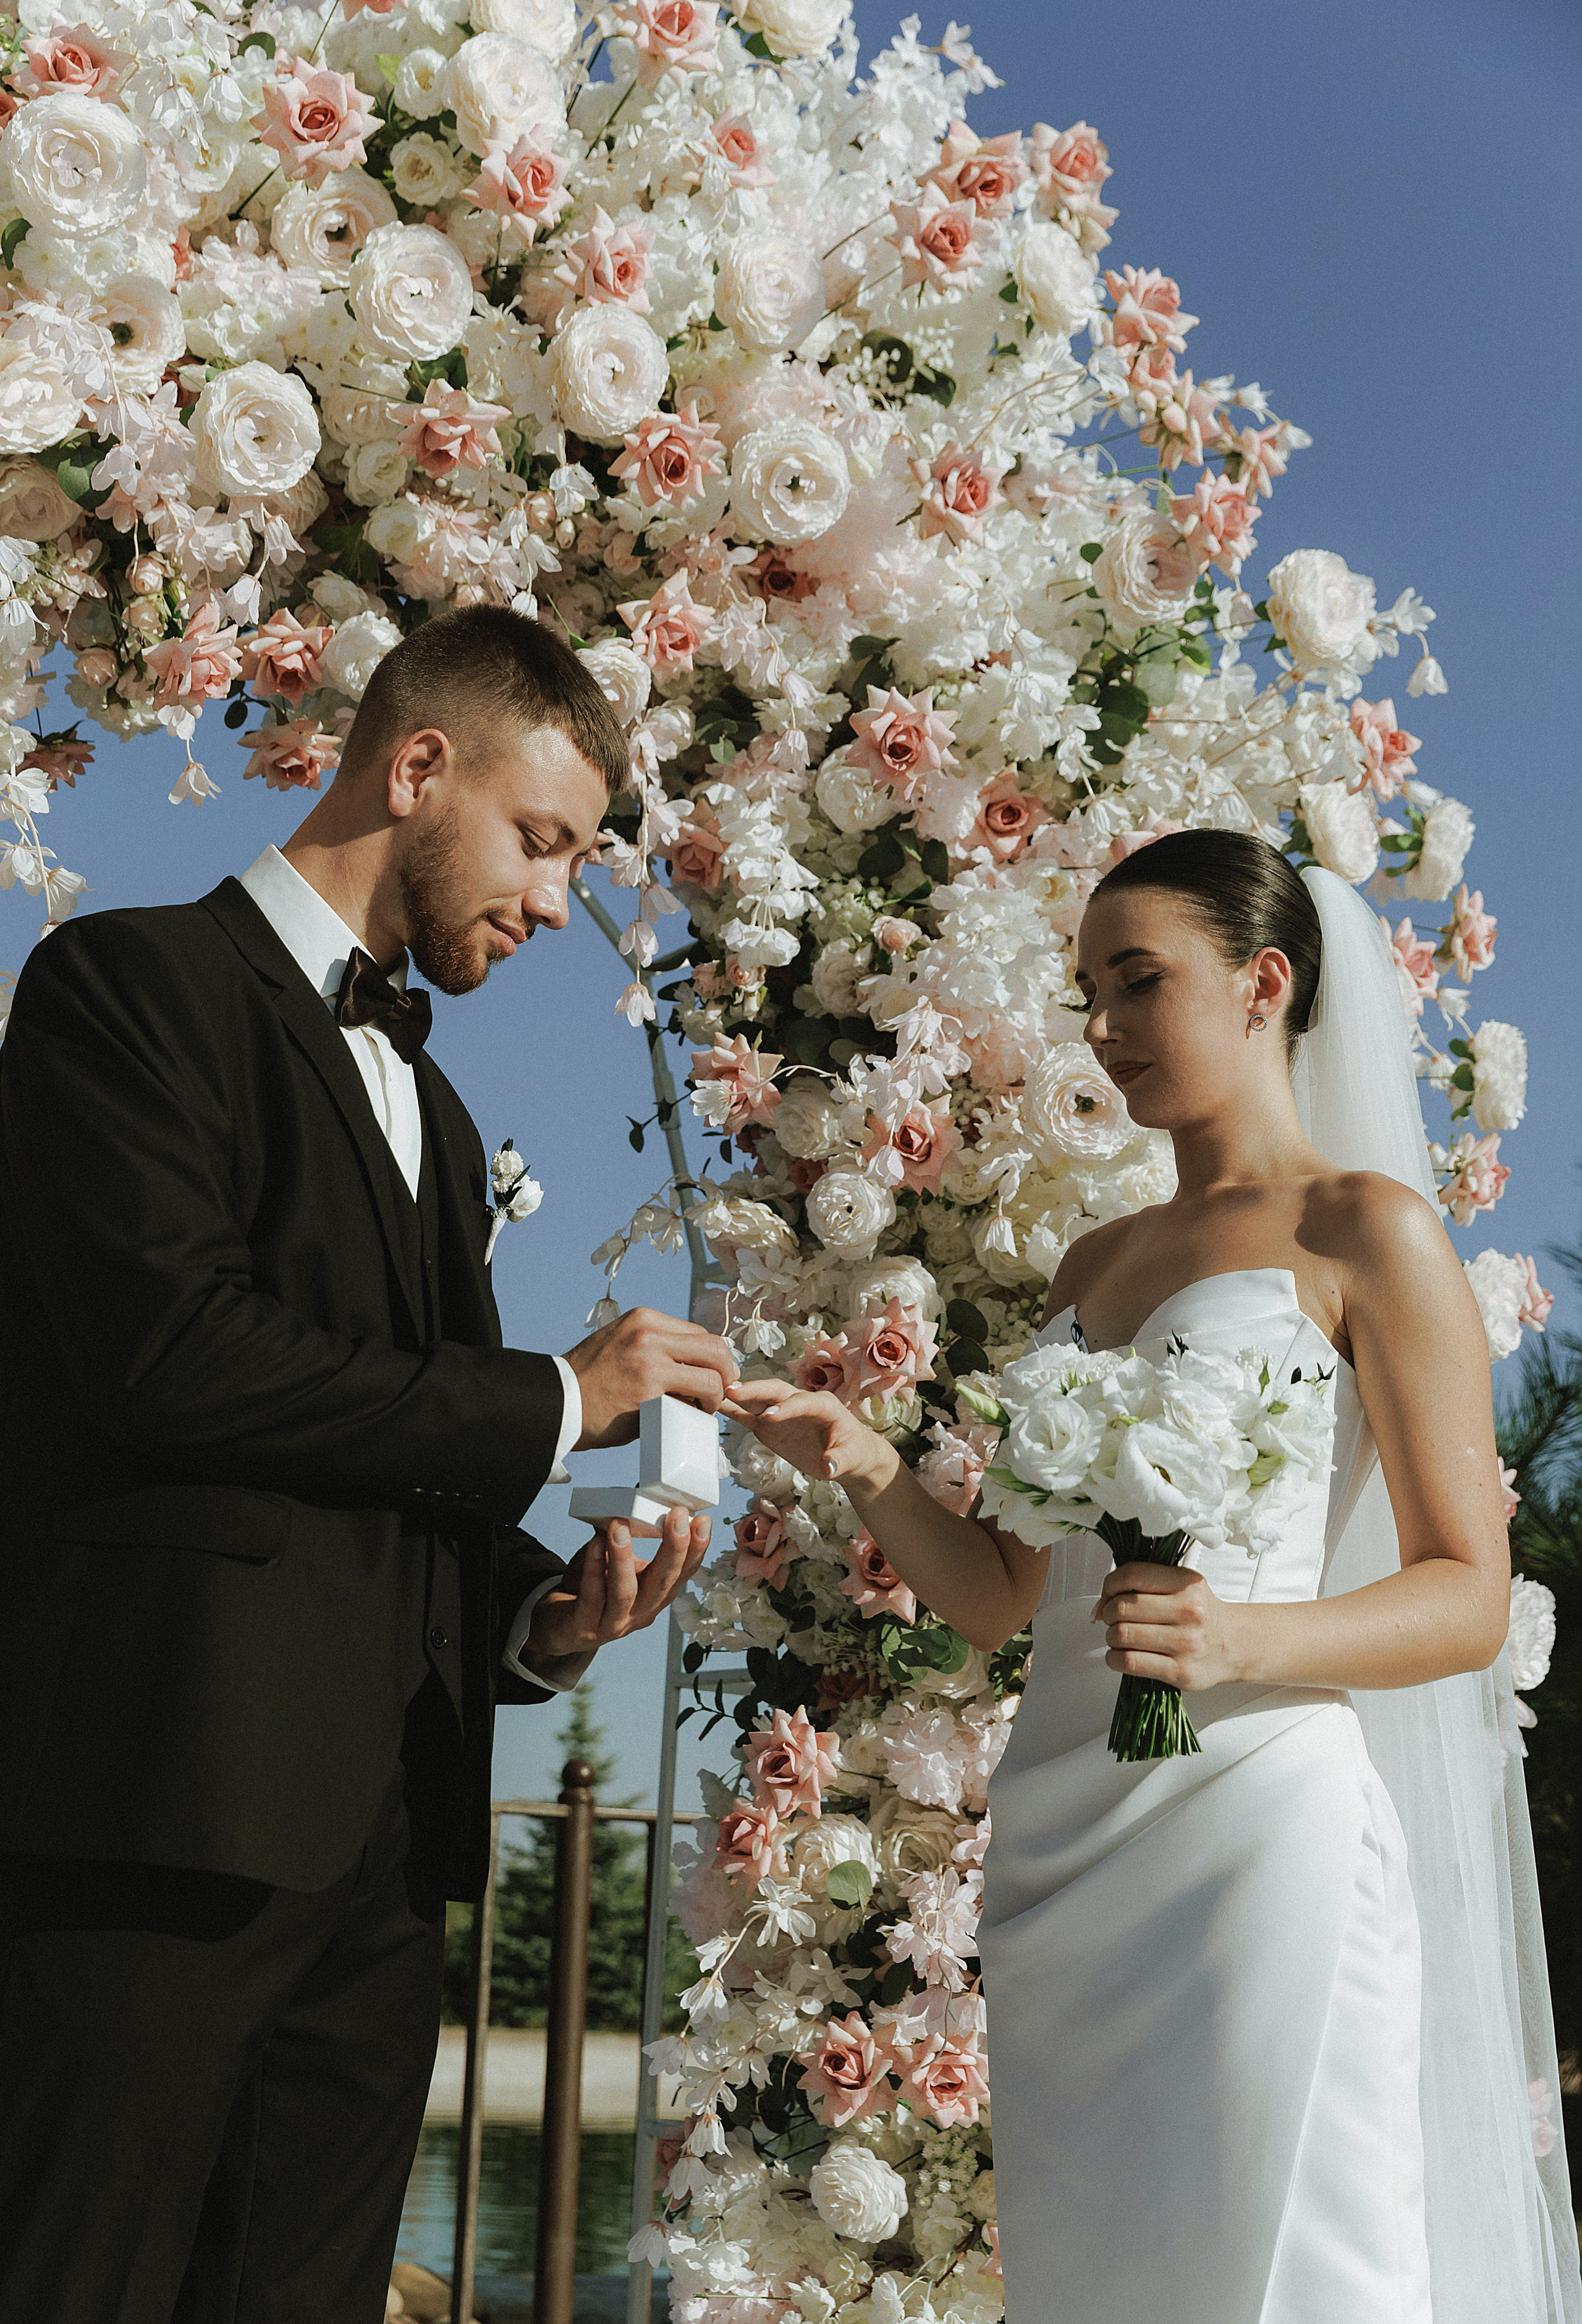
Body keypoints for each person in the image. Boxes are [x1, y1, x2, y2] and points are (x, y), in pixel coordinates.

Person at [725, 831, 1580, 2323]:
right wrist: (856, 1456)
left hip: (1257, 1831)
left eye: (1137, 983)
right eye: (1086, 994)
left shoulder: (1364, 1232)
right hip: (1067, 1842)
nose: (1102, 1030)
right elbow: (1005, 1598)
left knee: (1296, 2265)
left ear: (1261, 984)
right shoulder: (1090, 1268)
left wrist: (1239, 1637)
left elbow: (1468, 1591)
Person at [0, 604, 735, 2323]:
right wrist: (558, 1400)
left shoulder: (448, 1118)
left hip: (389, 1862)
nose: (559, 903)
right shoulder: (124, 986)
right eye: (542, 843)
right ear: (416, 767)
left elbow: (391, 1449)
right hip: (161, 1813)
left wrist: (536, 1623)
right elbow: (171, 1360)